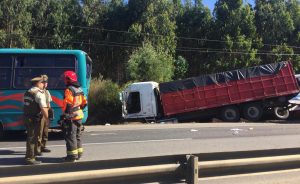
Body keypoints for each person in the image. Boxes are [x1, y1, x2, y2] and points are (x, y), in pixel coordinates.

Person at [61, 71, 87, 162]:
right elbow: (84, 103)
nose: (64, 80)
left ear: (68, 79)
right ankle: (79, 154)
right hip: (79, 115)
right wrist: (77, 109)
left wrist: (66, 115)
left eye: (65, 78)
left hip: (71, 116)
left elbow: (67, 104)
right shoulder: (79, 89)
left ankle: (72, 157)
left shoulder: (69, 89)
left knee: (70, 136)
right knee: (77, 136)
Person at [23, 76, 48, 165]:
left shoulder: (28, 92)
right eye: (42, 83)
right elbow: (44, 108)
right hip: (34, 118)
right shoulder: (39, 93)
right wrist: (47, 118)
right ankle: (30, 158)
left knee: (31, 137)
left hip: (27, 117)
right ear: (38, 83)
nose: (43, 84)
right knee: (33, 138)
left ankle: (32, 155)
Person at [36, 75, 52, 155]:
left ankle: (43, 146)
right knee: (39, 132)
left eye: (46, 82)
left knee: (45, 131)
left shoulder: (47, 92)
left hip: (46, 114)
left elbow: (49, 103)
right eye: (44, 82)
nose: (45, 84)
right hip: (40, 114)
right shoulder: (38, 92)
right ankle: (37, 148)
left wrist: (50, 114)